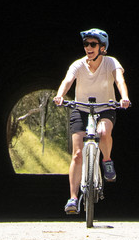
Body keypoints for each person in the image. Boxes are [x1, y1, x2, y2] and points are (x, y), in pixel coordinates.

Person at [54, 27, 132, 215]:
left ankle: (106, 160)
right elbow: (67, 80)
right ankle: (73, 198)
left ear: (102, 47)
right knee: (77, 153)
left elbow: (120, 80)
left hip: (106, 107)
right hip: (80, 109)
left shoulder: (111, 62)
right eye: (86, 44)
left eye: (93, 44)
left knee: (104, 132)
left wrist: (124, 97)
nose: (88, 47)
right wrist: (59, 95)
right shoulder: (78, 64)